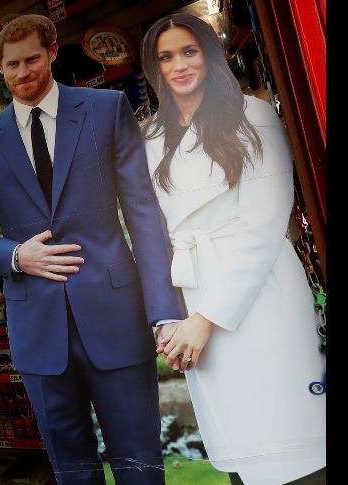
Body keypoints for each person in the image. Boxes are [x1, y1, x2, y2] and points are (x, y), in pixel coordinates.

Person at [0, 14, 182, 484]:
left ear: (53, 52)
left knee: (139, 460)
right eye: (12, 65)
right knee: (72, 469)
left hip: (115, 315)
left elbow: (142, 210)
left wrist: (163, 310)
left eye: (32, 59)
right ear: (0, 66)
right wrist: (15, 256)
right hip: (37, 328)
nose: (22, 73)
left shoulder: (106, 109)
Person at [139, 13, 326, 485]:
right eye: (166, 57)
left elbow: (264, 224)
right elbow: (152, 231)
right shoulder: (150, 136)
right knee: (240, 444)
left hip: (261, 291)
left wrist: (205, 320)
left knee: (291, 435)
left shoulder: (253, 114)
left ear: (209, 54)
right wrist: (169, 318)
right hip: (193, 294)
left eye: (189, 51)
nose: (179, 65)